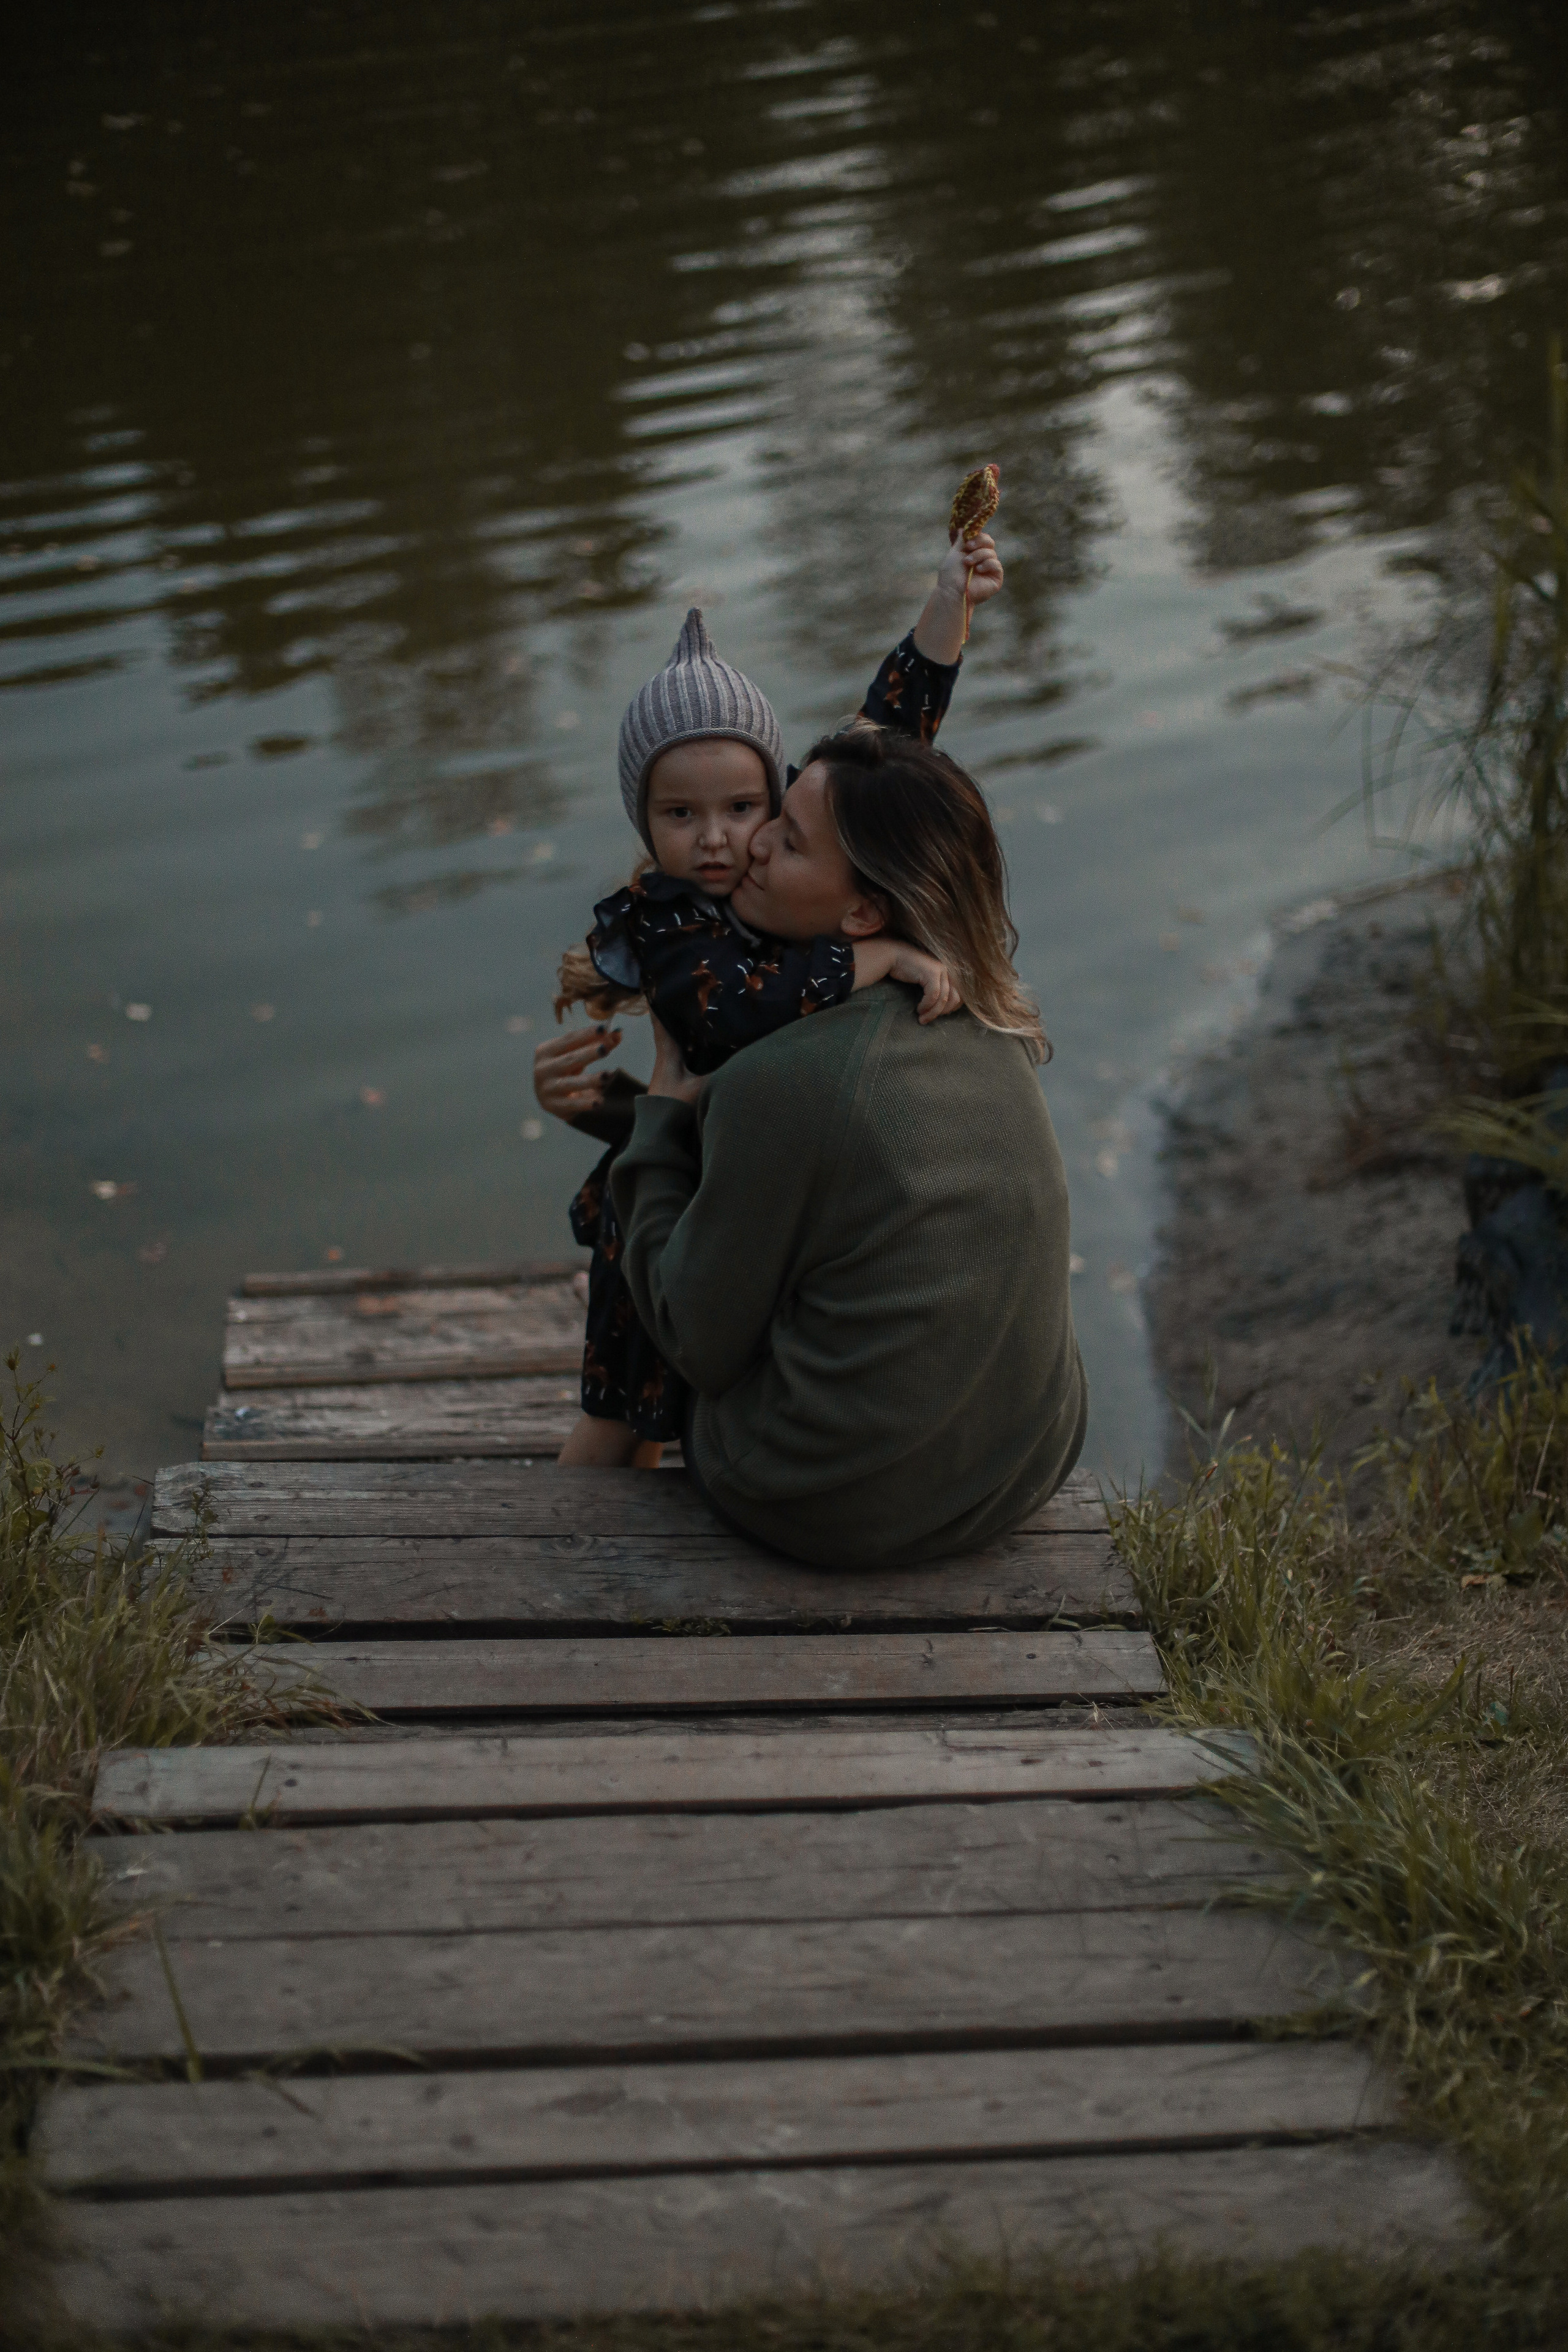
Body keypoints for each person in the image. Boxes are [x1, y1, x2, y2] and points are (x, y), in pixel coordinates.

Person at [538, 527, 1003, 1468]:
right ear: (645, 820)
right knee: (625, 1415)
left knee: (693, 1398)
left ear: (777, 797)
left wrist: (947, 607)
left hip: (745, 1198)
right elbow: (730, 1017)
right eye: (680, 815)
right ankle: (565, 1558)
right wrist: (873, 964)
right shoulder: (666, 924)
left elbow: (884, 742)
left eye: (744, 809)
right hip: (665, 1214)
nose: (717, 840)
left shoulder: (792, 865)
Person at [601, 724, 1087, 1569]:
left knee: (685, 1313)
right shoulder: (991, 1022)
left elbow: (697, 1340)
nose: (750, 845)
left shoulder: (782, 1078)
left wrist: (656, 1121)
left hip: (832, 1502)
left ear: (863, 912)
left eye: (787, 841)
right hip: (1025, 1463)